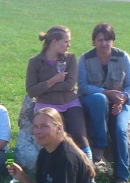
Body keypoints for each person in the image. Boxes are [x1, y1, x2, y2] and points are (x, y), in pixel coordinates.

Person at [78, 23, 130, 183]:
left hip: (120, 103)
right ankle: (100, 145)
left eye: (108, 39)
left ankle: (122, 176)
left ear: (113, 40)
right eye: (100, 39)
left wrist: (122, 99)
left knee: (119, 130)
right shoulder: (85, 59)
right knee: (99, 99)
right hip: (94, 101)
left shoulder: (123, 56)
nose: (104, 43)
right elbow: (82, 85)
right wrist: (105, 92)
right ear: (94, 41)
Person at [26, 25, 92, 162]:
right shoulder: (35, 62)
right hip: (46, 106)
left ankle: (89, 171)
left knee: (80, 137)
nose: (69, 45)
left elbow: (69, 85)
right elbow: (31, 90)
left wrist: (43, 87)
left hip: (70, 102)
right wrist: (53, 81)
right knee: (57, 138)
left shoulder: (70, 59)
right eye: (66, 41)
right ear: (54, 42)